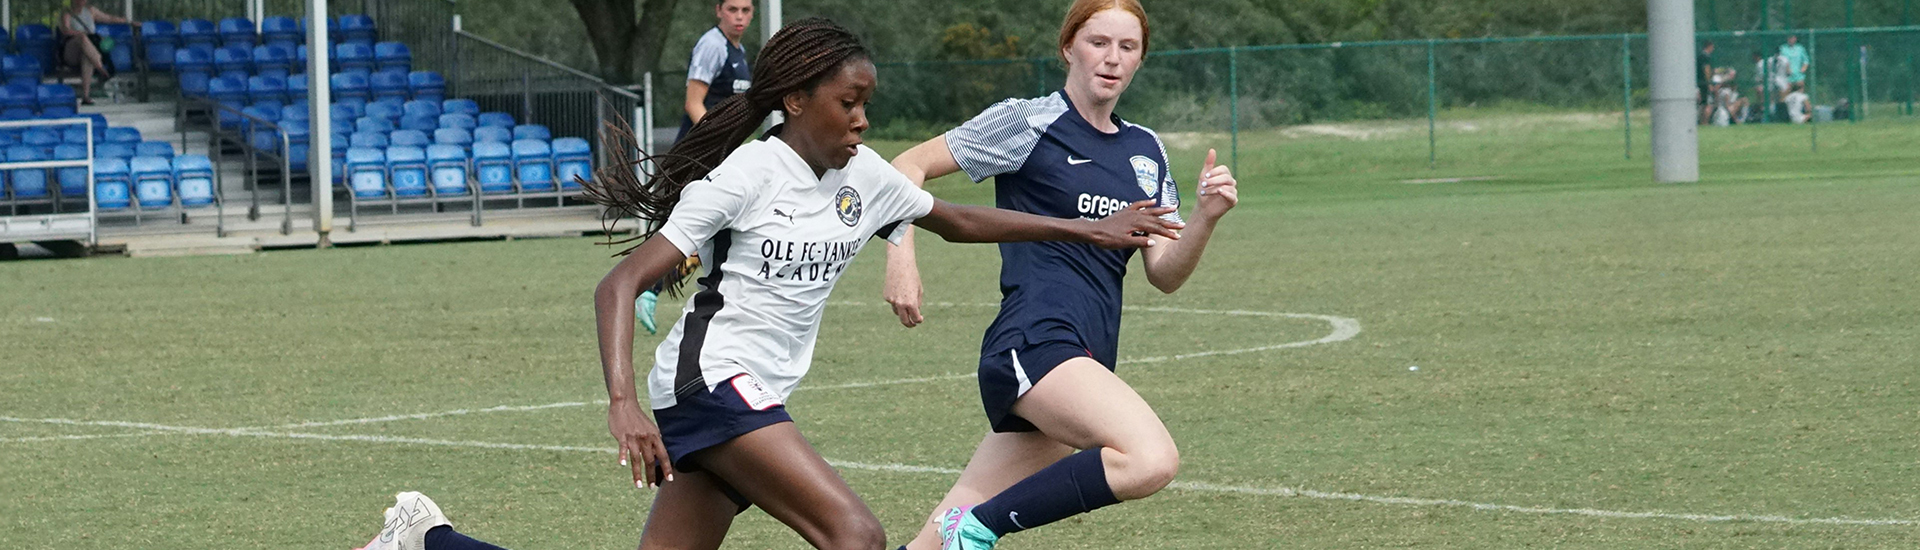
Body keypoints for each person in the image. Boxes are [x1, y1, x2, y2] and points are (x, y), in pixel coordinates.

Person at [350, 18, 1185, 550]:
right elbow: (620, 287)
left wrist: (1087, 229)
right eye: (849, 103)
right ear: (796, 100)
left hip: (754, 392)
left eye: (868, 103)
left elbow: (960, 219)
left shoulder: (863, 177)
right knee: (856, 537)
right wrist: (620, 404)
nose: (863, 120)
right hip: (708, 385)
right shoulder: (751, 173)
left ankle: (426, 539)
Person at [880, 1, 1239, 549]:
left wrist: (1207, 218)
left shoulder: (1147, 151)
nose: (1112, 59)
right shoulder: (1028, 121)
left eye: (1128, 47)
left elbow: (1164, 273)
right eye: (1098, 42)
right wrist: (900, 253)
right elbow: (908, 165)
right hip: (1034, 343)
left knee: (927, 548)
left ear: (1141, 59)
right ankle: (977, 530)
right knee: (1150, 457)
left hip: (1086, 357)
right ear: (1069, 46)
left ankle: (959, 533)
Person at [637, 0, 759, 335]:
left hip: (719, 154)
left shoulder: (739, 51)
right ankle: (643, 287)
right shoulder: (711, 46)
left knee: (716, 231)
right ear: (718, 10)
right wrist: (720, 144)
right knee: (693, 230)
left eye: (746, 10)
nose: (740, 16)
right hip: (699, 154)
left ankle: (653, 289)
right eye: (733, 9)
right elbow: (693, 102)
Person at [58, 0, 138, 105]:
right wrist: (83, 33)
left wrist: (129, 22)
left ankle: (86, 96)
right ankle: (101, 68)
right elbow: (66, 31)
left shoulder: (91, 11)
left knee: (87, 57)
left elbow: (110, 19)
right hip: (71, 49)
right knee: (82, 38)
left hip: (88, 51)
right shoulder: (67, 13)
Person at [1697, 41, 1716, 124]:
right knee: (1708, 104)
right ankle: (1705, 122)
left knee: (1703, 103)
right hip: (1705, 83)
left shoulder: (1699, 56)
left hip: (1700, 82)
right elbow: (1706, 69)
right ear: (1709, 46)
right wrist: (1709, 83)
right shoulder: (1705, 57)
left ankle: (1701, 121)